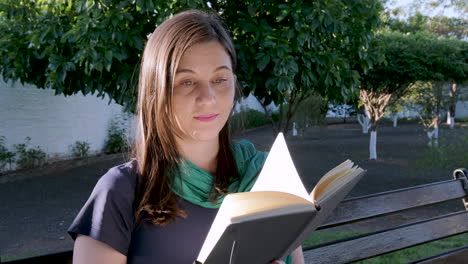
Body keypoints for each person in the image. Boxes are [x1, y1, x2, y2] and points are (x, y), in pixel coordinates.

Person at [68, 10, 304, 264]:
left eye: (220, 79)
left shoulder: (268, 177)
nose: (208, 97)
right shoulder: (121, 191)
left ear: (234, 83)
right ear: (156, 90)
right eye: (187, 82)